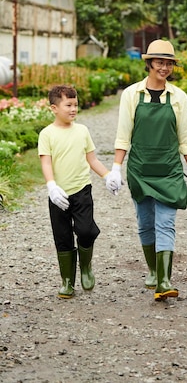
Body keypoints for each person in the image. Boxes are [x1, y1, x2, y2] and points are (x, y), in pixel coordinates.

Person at [111, 39, 187, 302]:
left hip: (169, 170)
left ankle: (164, 280)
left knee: (166, 223)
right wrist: (116, 167)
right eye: (160, 62)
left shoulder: (178, 97)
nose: (164, 67)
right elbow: (123, 136)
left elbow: (186, 139)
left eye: (169, 63)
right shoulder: (131, 95)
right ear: (149, 63)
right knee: (145, 223)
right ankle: (153, 270)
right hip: (140, 169)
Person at [38, 84, 118, 299]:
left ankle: (86, 267)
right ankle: (67, 281)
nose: (73, 109)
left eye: (75, 104)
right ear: (54, 108)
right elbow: (46, 163)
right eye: (68, 105)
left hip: (82, 190)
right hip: (59, 196)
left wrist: (107, 175)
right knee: (62, 237)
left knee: (86, 231)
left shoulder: (82, 131)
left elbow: (91, 159)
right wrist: (51, 186)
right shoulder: (47, 134)